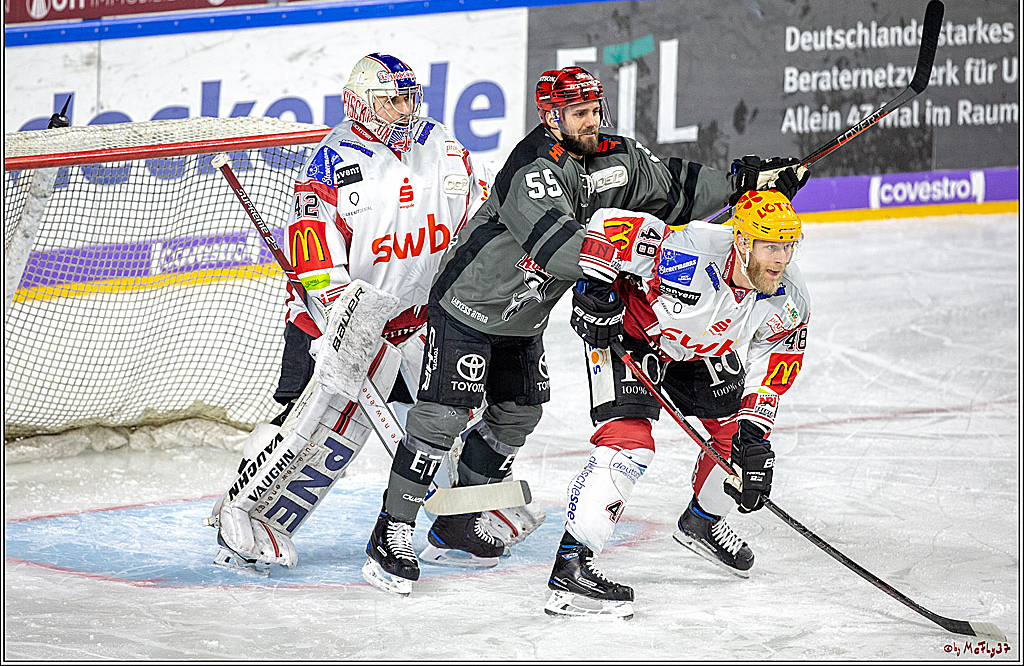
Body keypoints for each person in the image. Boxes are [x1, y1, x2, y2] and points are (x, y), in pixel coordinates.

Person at [362, 65, 809, 595]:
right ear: (551, 116)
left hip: (523, 320)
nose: (593, 120)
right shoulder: (530, 168)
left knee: (517, 415)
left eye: (596, 109)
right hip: (469, 306)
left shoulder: (615, 157)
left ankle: (458, 518)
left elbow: (673, 187)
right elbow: (556, 246)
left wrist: (746, 184)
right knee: (441, 417)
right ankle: (390, 531)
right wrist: (620, 268)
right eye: (580, 113)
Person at [207, 53, 502, 573]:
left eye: (409, 98)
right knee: (311, 427)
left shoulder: (441, 144)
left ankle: (453, 522)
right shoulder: (331, 165)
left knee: (453, 416)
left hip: (419, 319)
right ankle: (243, 519)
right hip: (337, 320)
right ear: (359, 104)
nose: (404, 110)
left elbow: (478, 213)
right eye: (391, 100)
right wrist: (339, 313)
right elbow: (312, 254)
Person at [543, 188, 810, 618]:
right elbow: (608, 224)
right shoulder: (689, 252)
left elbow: (776, 366)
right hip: (633, 338)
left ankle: (702, 521)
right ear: (741, 242)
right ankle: (571, 568)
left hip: (701, 351)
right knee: (629, 443)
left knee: (738, 446)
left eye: (786, 245)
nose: (780, 259)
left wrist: (755, 433)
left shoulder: (790, 298)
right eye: (768, 246)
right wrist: (595, 287)